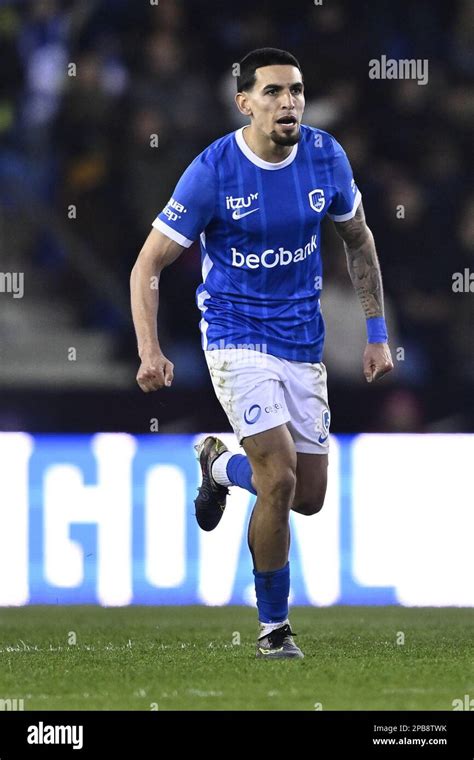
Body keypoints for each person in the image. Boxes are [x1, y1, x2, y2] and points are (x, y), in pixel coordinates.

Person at [130, 48, 394, 659]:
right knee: (277, 477)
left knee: (307, 495)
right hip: (234, 334)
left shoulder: (327, 157)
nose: (289, 103)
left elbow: (358, 241)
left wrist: (378, 333)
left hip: (302, 341)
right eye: (273, 93)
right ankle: (274, 632)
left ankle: (219, 465)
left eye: (297, 91)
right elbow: (149, 263)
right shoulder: (213, 172)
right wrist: (149, 349)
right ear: (245, 103)